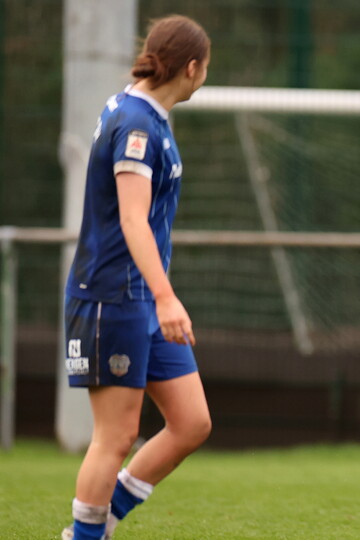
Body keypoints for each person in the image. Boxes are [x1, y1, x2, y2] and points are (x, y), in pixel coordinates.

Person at [60, 15, 212, 540]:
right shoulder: (137, 125)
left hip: (142, 298)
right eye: (205, 67)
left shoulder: (146, 115)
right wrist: (168, 298)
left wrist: (158, 297)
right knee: (116, 435)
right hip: (112, 298)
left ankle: (100, 525)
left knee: (191, 423)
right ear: (191, 68)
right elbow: (132, 219)